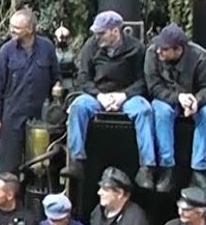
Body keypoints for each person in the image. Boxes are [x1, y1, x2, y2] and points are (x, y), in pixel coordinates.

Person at [66, 11, 156, 190]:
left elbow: (143, 81)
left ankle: (147, 167)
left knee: (144, 110)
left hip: (126, 96)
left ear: (115, 31)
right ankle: (76, 161)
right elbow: (83, 78)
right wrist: (99, 95)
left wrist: (123, 95)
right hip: (98, 95)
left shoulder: (137, 48)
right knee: (77, 107)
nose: (97, 36)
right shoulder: (90, 46)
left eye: (101, 33)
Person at [143, 24, 206, 194]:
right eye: (159, 48)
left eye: (165, 50)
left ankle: (199, 171)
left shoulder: (201, 57)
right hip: (166, 98)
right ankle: (167, 169)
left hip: (194, 99)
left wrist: (196, 101)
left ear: (178, 50)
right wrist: (178, 98)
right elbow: (153, 87)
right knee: (161, 112)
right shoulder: (152, 53)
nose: (159, 52)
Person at [0, 8, 58, 174]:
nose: (12, 30)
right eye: (11, 26)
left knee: (38, 166)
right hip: (12, 114)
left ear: (30, 29)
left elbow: (55, 78)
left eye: (17, 28)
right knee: (8, 165)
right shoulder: (6, 50)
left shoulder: (47, 47)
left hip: (39, 116)